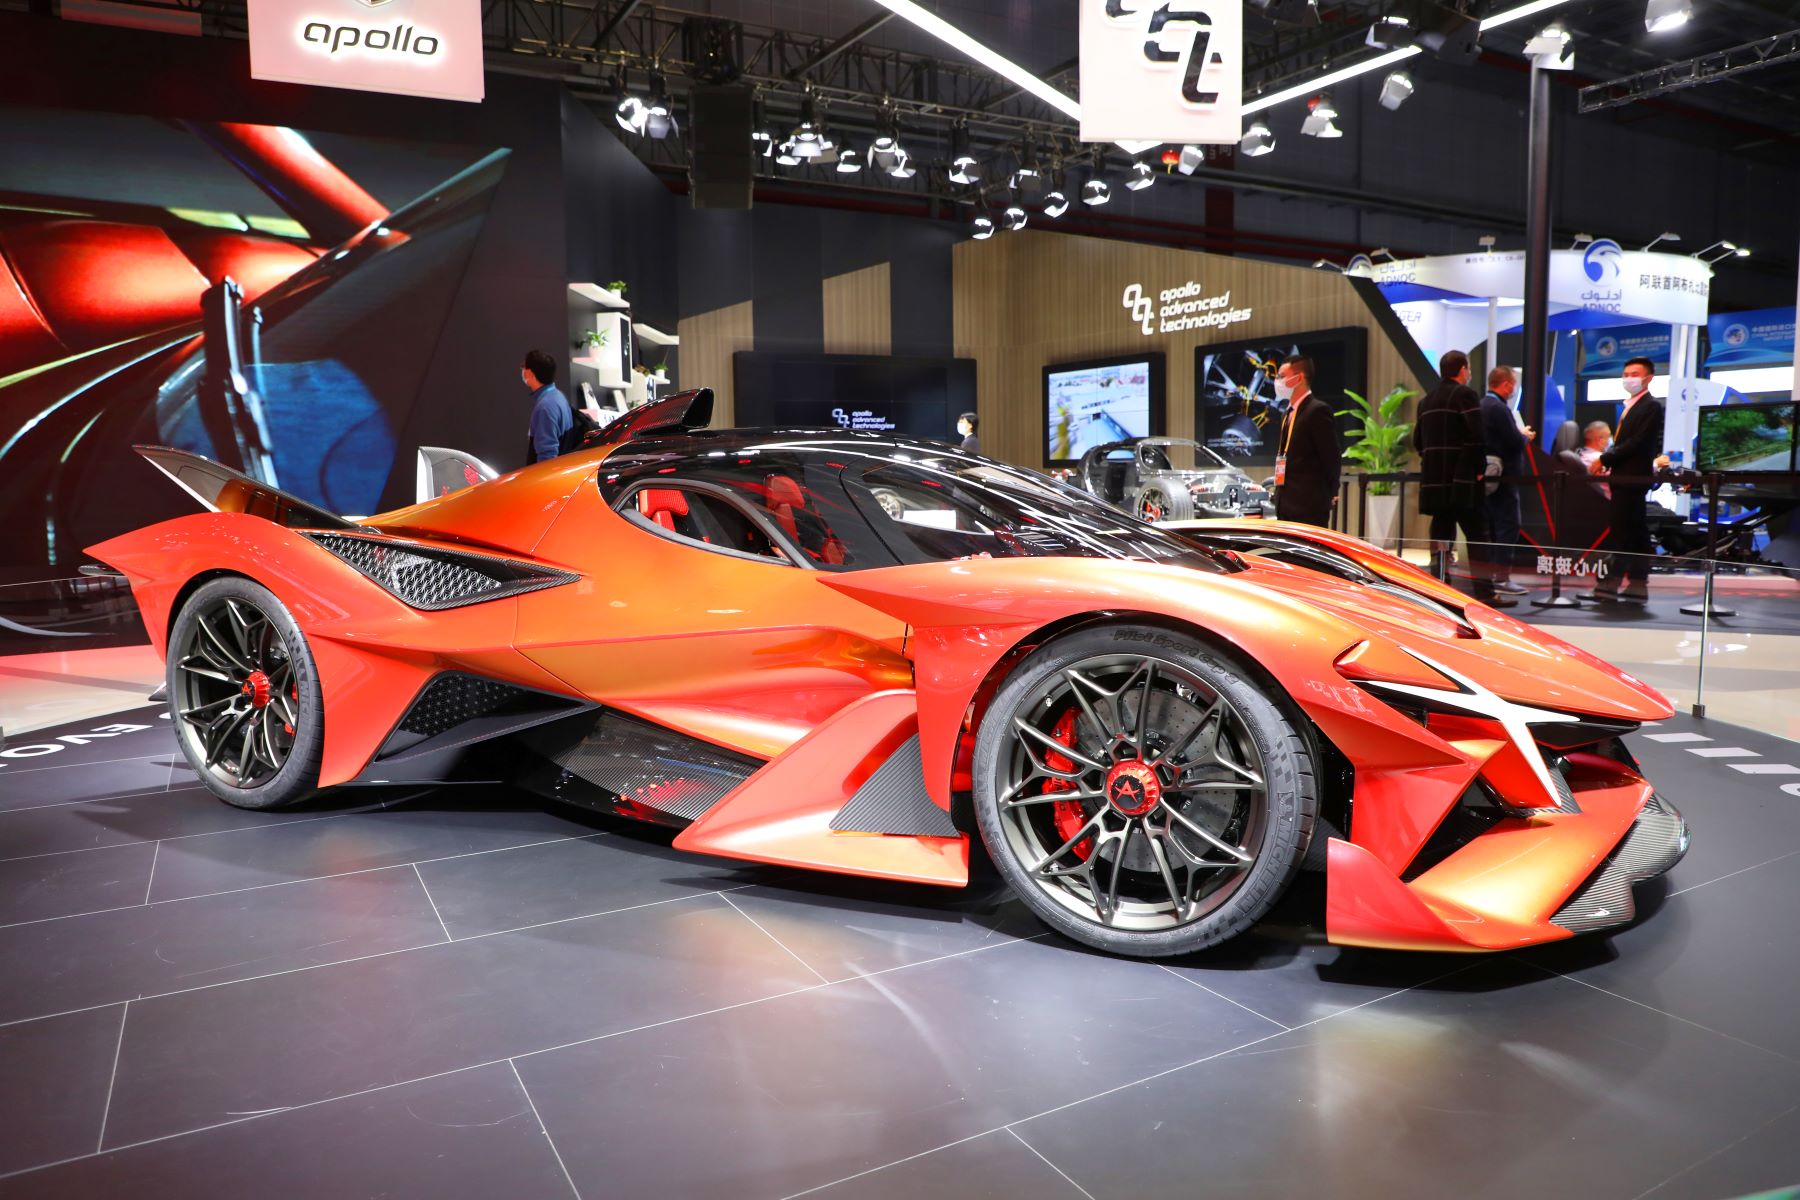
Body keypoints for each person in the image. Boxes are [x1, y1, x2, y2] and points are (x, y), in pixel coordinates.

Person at [1416, 349, 1508, 606]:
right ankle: (1485, 594)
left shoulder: (1426, 401)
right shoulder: (1465, 395)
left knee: (1441, 535)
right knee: (1478, 535)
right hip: (1463, 481)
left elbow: (1418, 442)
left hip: (1435, 481)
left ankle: (1438, 593)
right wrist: (1479, 468)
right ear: (1463, 370)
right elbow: (1476, 436)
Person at [1591, 357, 1664, 602]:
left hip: (1632, 479)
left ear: (1648, 378)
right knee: (1631, 530)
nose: (1629, 378)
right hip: (1624, 478)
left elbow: (1637, 442)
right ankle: (1633, 583)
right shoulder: (1630, 405)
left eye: (1635, 373)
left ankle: (1617, 583)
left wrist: (1605, 458)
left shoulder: (1650, 406)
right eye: (1626, 373)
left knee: (1626, 531)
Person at [1271, 354, 1340, 528]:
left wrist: (1332, 491)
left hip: (1308, 505)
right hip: (1285, 503)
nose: (1277, 381)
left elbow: (1331, 456)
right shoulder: (1287, 413)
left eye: (1282, 376)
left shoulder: (1317, 411)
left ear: (1299, 378)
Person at [1480, 365, 1532, 594]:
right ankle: (1501, 578)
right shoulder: (1499, 409)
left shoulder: (1482, 405)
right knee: (1508, 525)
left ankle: (1490, 576)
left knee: (1492, 525)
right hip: (1504, 475)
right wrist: (1524, 436)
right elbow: (1513, 441)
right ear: (1507, 384)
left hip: (1488, 475)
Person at [523, 349, 571, 465]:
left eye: (523, 367)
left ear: (529, 373)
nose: (522, 371)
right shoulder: (558, 397)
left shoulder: (545, 407)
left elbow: (547, 456)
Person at [1579, 421, 1612, 499]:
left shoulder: (1581, 454)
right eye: (1609, 437)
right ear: (1600, 439)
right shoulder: (1600, 460)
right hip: (1607, 506)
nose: (1610, 440)